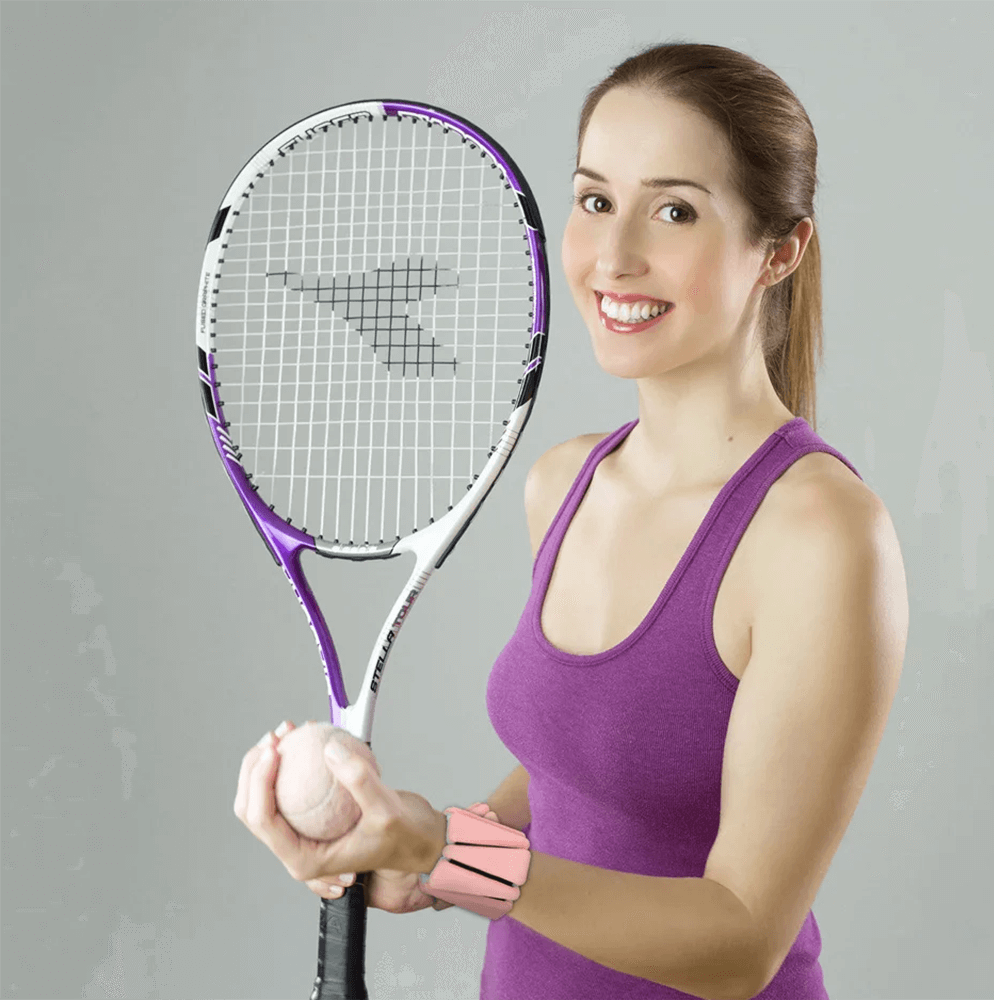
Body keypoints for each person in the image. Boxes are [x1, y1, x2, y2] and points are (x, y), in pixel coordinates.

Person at [234, 41, 908, 1000]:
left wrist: (442, 850)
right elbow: (580, 779)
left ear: (780, 250)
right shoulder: (564, 484)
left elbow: (741, 937)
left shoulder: (819, 535)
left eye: (674, 210)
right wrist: (425, 856)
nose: (614, 256)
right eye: (595, 200)